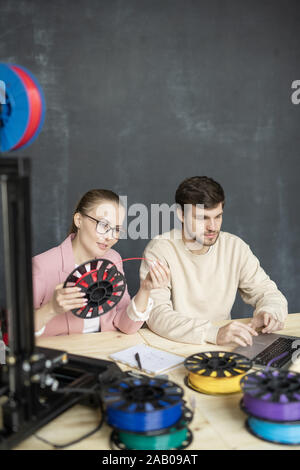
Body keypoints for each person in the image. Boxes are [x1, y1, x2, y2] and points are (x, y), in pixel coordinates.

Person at [140, 176, 288, 347]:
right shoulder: (160, 249)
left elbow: (268, 293)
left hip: (223, 344)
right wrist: (213, 333)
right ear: (181, 214)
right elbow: (156, 314)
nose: (212, 227)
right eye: (203, 218)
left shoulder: (235, 247)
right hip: (174, 344)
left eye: (218, 217)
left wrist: (269, 312)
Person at [33, 189, 169, 337]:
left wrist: (145, 290)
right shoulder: (42, 266)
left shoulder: (113, 260)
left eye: (117, 230)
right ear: (78, 220)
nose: (110, 237)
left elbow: (125, 326)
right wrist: (51, 308)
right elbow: (14, 334)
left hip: (104, 350)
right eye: (104, 225)